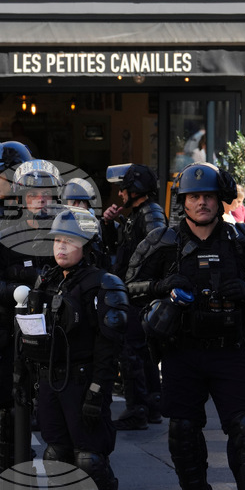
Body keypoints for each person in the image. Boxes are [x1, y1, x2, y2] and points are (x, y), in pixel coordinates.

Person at [125, 162, 245, 490]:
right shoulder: (164, 240)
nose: (201, 203)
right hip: (180, 351)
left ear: (219, 200)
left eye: (208, 196)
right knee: (182, 432)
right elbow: (128, 287)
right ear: (184, 201)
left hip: (228, 350)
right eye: (194, 197)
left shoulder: (241, 239)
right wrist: (163, 285)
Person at [19, 207, 128, 490]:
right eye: (57, 241)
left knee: (90, 459)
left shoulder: (103, 284)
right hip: (51, 380)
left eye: (70, 241)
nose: (61, 247)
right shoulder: (47, 280)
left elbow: (110, 349)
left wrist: (97, 391)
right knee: (57, 456)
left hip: (82, 382)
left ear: (88, 244)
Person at [0, 160, 62, 473]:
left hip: (56, 339)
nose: (40, 201)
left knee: (56, 415)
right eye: (32, 195)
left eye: (46, 195)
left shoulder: (66, 238)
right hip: (9, 337)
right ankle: (11, 470)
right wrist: (22, 290)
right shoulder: (0, 238)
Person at [101, 163, 167, 430]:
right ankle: (150, 406)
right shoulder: (139, 214)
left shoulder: (150, 213)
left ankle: (138, 409)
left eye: (123, 189)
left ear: (135, 189)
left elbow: (158, 250)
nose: (120, 195)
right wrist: (110, 223)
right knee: (141, 353)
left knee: (132, 353)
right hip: (137, 293)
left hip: (141, 295)